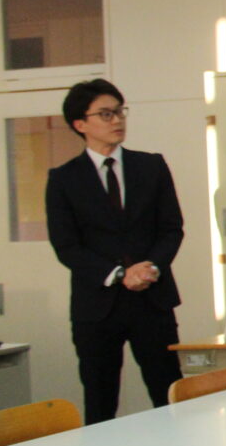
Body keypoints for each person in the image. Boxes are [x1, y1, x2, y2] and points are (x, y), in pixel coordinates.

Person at [45, 79, 185, 423]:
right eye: (105, 114)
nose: (116, 120)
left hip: (152, 299)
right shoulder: (63, 179)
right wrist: (121, 274)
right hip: (97, 306)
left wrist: (149, 267)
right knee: (100, 399)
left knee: (169, 394)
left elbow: (171, 229)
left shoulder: (151, 166)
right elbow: (66, 246)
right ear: (80, 124)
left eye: (119, 112)